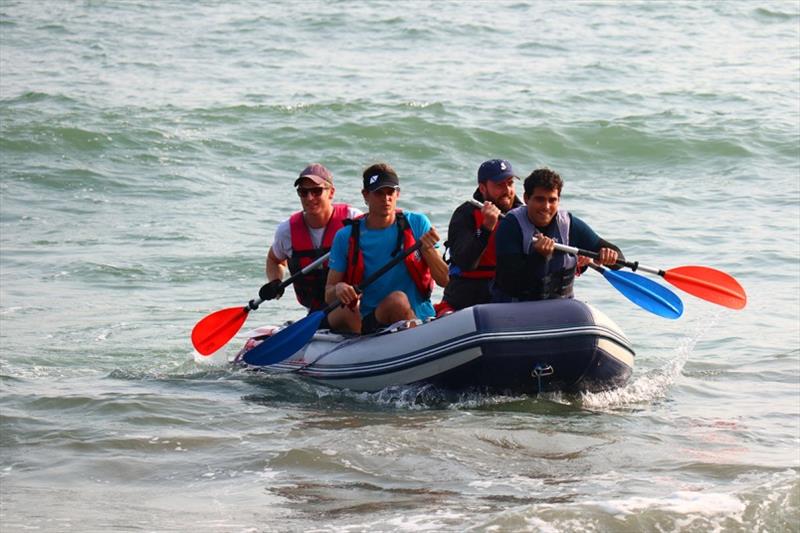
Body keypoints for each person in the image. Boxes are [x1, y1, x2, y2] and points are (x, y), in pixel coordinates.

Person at [324, 163, 449, 334]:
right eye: (379, 193)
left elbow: (445, 280)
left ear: (398, 194)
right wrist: (339, 289)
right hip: (374, 320)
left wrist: (428, 250)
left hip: (421, 318)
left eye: (390, 192)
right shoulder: (346, 236)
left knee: (399, 300)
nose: (386, 198)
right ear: (365, 195)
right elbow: (328, 292)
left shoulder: (418, 223)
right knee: (397, 301)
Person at [492, 167, 623, 302]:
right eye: (540, 199)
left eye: (552, 200)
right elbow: (510, 285)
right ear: (526, 198)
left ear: (559, 200)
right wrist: (538, 256)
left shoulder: (570, 225)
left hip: (560, 308)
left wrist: (610, 256)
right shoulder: (511, 225)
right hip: (516, 307)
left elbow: (619, 262)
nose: (546, 206)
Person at [261, 164, 362, 325]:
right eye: (303, 192)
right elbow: (274, 259)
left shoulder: (353, 220)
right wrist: (275, 282)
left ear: (331, 193)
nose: (309, 198)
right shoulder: (286, 231)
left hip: (356, 302)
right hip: (317, 311)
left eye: (316, 191)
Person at [437, 159, 524, 313]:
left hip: (505, 292)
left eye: (510, 183)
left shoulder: (523, 215)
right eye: (499, 185)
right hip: (467, 293)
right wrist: (486, 228)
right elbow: (466, 262)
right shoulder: (465, 214)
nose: (507, 190)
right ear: (483, 188)